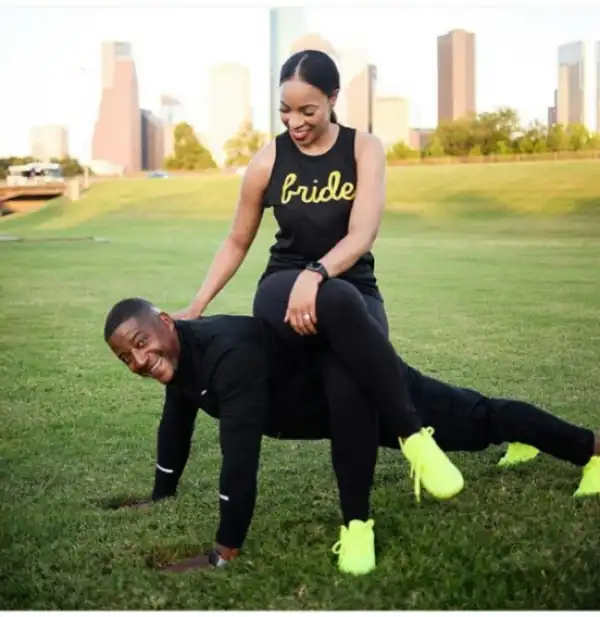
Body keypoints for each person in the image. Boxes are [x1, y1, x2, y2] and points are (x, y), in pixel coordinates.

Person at [172, 49, 465, 541]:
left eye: (307, 110)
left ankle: (357, 528)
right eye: (285, 110)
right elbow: (237, 240)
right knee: (339, 301)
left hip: (350, 287)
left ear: (332, 99)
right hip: (282, 291)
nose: (295, 121)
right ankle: (412, 432)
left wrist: (320, 272)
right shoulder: (268, 160)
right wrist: (197, 305)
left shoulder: (363, 148)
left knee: (350, 382)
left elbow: (363, 232)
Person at [104, 297, 600, 575]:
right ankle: (517, 438)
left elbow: (239, 459)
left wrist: (222, 552)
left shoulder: (225, 355)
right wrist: (159, 496)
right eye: (127, 358)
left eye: (142, 344)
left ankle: (589, 448)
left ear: (166, 322)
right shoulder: (182, 359)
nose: (140, 361)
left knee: (479, 418)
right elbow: (175, 424)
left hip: (367, 389)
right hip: (339, 413)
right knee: (469, 427)